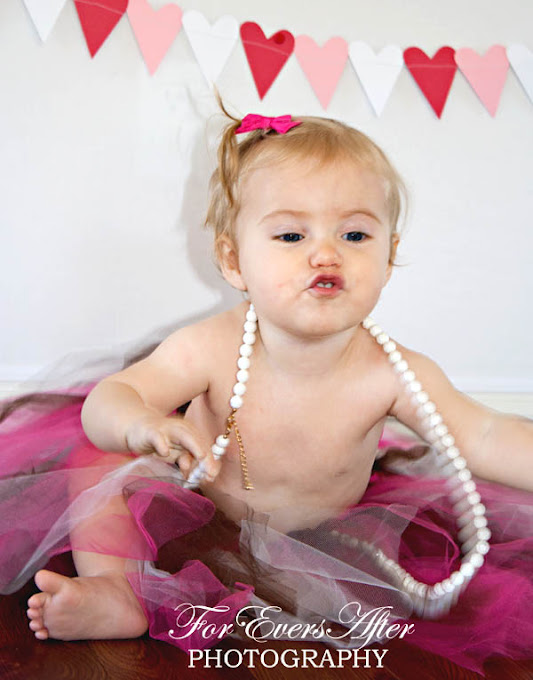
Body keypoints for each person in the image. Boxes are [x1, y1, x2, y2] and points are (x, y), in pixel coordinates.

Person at [1, 108, 532, 675]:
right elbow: (113, 396)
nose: (325, 254)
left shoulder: (393, 370)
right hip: (195, 511)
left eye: (355, 234)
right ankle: (116, 587)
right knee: (99, 455)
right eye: (291, 235)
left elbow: (481, 433)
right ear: (234, 261)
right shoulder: (210, 346)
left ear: (388, 256)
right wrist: (141, 424)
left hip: (326, 539)